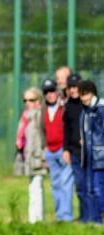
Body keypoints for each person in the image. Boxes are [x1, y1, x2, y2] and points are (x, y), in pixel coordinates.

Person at [41, 79, 74, 222]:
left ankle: (66, 216)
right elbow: (42, 131)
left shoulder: (64, 107)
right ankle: (59, 215)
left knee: (66, 182)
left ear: (57, 91)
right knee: (55, 184)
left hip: (63, 149)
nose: (50, 94)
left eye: (52, 90)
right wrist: (44, 151)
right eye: (47, 92)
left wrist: (68, 148)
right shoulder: (43, 110)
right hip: (50, 150)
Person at [15, 87, 46, 223]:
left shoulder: (39, 115)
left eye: (31, 100)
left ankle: (38, 220)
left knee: (37, 187)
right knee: (32, 188)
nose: (28, 103)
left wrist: (43, 156)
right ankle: (32, 218)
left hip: (38, 156)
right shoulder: (25, 116)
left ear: (39, 100)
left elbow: (43, 137)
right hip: (28, 156)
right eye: (25, 100)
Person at [62, 73, 88, 222]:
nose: (72, 90)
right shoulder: (69, 106)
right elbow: (67, 129)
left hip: (89, 152)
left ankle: (95, 216)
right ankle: (84, 217)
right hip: (75, 153)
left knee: (92, 186)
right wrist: (66, 149)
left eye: (75, 87)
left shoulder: (88, 104)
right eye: (70, 87)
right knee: (80, 187)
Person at [78, 80, 104, 223]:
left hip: (100, 158)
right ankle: (94, 221)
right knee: (89, 190)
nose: (83, 98)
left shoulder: (100, 109)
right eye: (81, 95)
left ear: (92, 92)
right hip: (88, 157)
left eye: (85, 94)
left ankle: (101, 218)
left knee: (98, 189)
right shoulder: (86, 110)